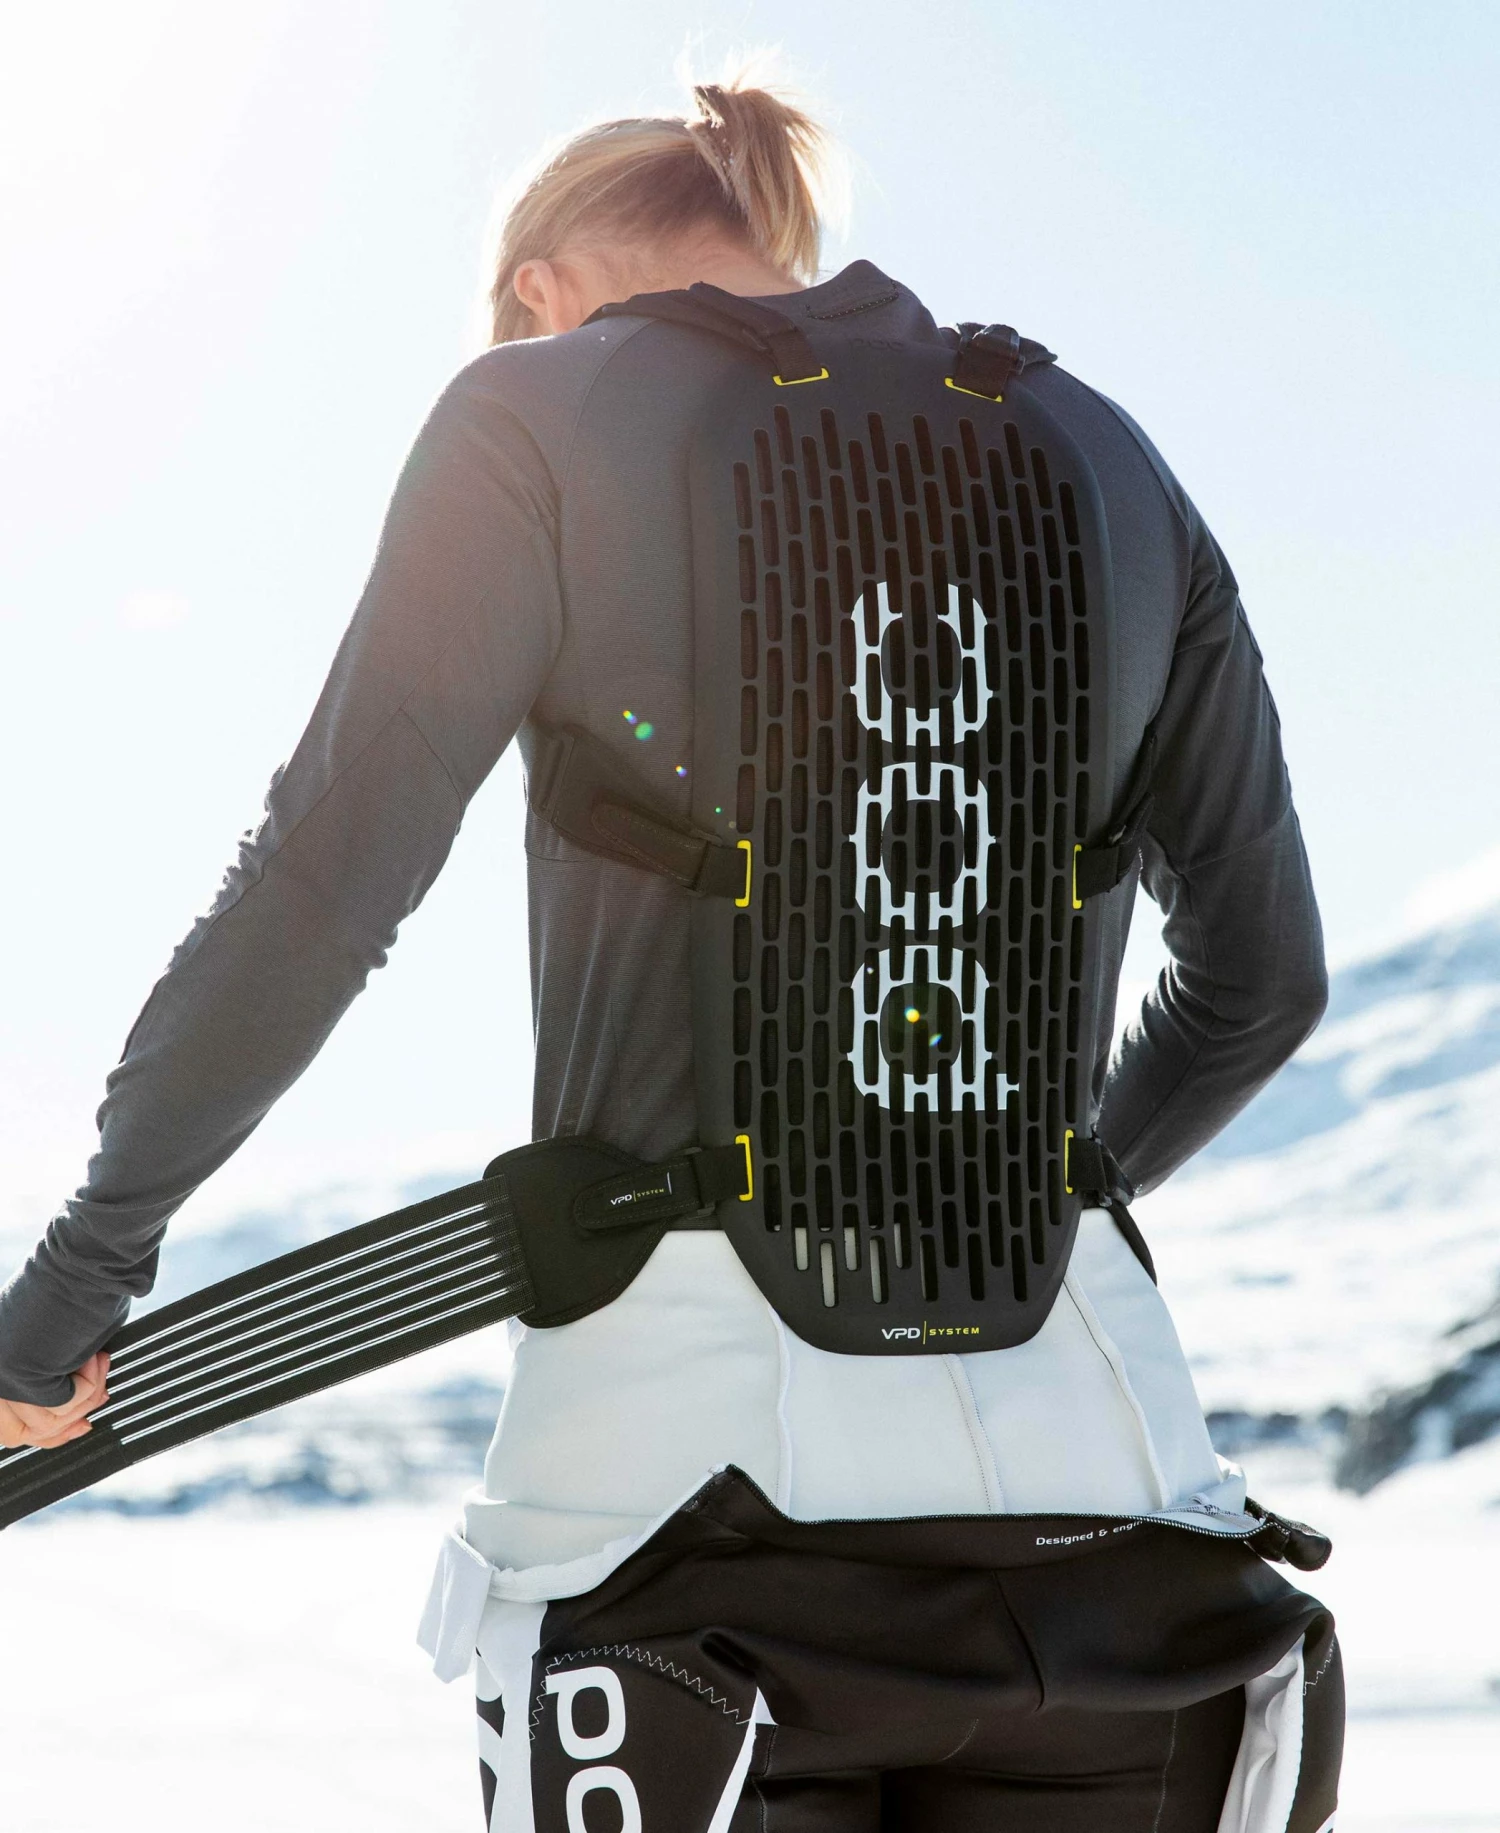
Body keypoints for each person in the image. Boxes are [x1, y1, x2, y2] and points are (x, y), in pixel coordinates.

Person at [0, 71, 1339, 1833]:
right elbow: (1261, 983)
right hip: (1121, 1517)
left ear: (541, 287)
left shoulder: (534, 411)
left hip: (681, 1511)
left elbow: (320, 889)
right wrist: (1000, 1194)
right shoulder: (1108, 450)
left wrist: (73, 1292)